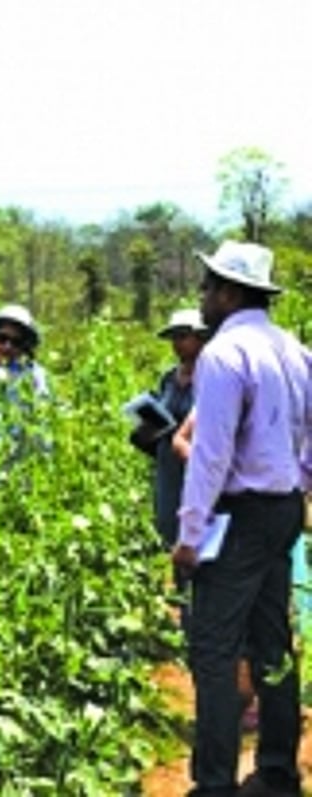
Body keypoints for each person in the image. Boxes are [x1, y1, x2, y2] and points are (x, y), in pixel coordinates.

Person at [172, 241, 310, 797]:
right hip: (283, 508)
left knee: (214, 649)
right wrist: (299, 489)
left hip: (239, 515)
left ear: (230, 293)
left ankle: (214, 784)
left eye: (208, 287)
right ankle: (278, 770)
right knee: (273, 640)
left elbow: (211, 454)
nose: (202, 297)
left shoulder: (224, 355)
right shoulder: (295, 350)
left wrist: (189, 535)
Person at [132, 309, 207, 549]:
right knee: (167, 529)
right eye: (173, 337)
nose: (177, 343)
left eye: (183, 336)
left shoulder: (212, 376)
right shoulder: (168, 378)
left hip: (195, 464)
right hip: (168, 466)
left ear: (201, 338)